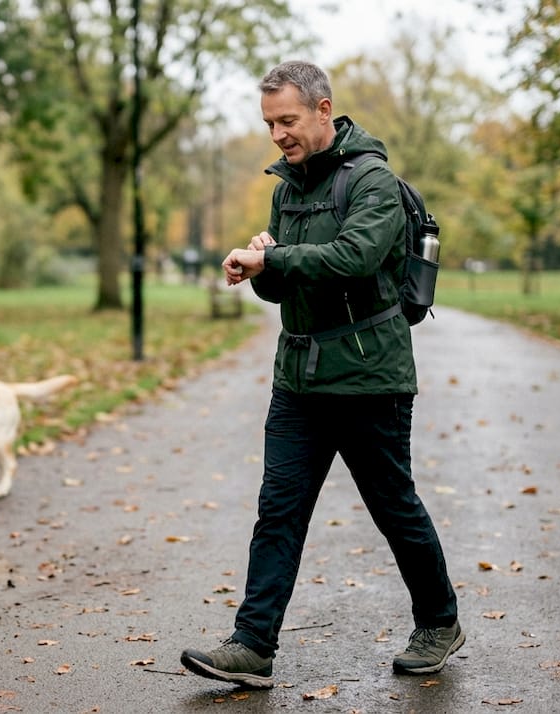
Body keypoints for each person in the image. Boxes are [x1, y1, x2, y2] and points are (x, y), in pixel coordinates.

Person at [179, 60, 462, 688]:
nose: (278, 134)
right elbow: (284, 293)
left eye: (288, 120)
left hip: (369, 378)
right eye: (269, 123)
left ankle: (440, 621)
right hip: (299, 380)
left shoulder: (373, 181)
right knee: (278, 509)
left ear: (323, 110)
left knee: (394, 507)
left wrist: (275, 255)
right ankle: (252, 645)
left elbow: (356, 258)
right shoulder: (287, 189)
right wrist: (261, 268)